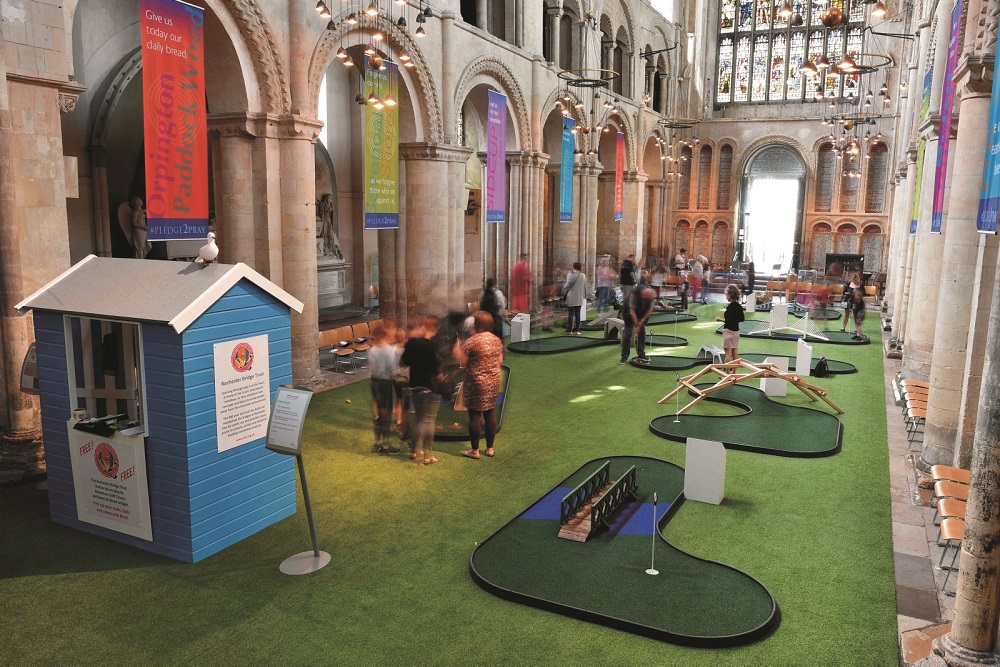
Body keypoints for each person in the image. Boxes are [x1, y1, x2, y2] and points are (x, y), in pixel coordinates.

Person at [455, 312, 505, 459]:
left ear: (476, 324)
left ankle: (474, 451)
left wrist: (456, 344)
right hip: (493, 380)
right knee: (490, 414)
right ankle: (490, 448)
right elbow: (500, 361)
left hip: (475, 381)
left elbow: (461, 359)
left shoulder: (472, 341)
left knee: (474, 416)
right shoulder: (496, 340)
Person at [399, 316, 442, 465]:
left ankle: (413, 450)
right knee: (429, 420)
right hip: (430, 387)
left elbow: (403, 362)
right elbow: (436, 367)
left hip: (415, 384)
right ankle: (428, 455)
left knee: (418, 417)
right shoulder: (432, 345)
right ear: (435, 329)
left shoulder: (412, 343)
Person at [368, 325, 400, 455]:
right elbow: (393, 369)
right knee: (386, 414)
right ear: (383, 336)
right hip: (385, 383)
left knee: (378, 416)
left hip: (374, 382)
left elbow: (371, 366)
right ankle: (386, 445)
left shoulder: (372, 350)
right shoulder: (389, 350)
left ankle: (377, 443)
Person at [620, 284, 656, 364]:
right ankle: (624, 356)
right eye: (644, 298)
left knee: (642, 333)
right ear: (642, 294)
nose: (646, 300)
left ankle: (641, 354)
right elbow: (632, 311)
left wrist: (642, 321)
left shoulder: (650, 296)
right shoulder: (634, 294)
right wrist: (636, 325)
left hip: (641, 314)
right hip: (628, 313)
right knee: (627, 334)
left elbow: (650, 309)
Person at [716, 284, 745, 362]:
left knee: (728, 354)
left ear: (729, 295)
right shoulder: (739, 306)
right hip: (736, 332)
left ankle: (727, 373)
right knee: (735, 354)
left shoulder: (729, 307)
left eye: (726, 295)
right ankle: (734, 373)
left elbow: (728, 320)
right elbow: (742, 319)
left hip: (728, 332)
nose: (726, 297)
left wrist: (720, 319)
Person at [563, 262, 587, 335]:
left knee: (571, 314)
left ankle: (570, 330)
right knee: (577, 314)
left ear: (573, 267)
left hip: (571, 297)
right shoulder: (583, 276)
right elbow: (584, 286)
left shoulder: (571, 275)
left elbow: (566, 286)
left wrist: (564, 287)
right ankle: (578, 330)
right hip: (579, 296)